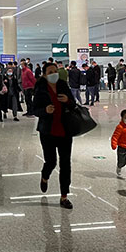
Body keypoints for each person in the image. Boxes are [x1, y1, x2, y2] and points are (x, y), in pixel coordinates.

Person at [33, 62, 76, 210]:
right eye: (50, 72)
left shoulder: (63, 85)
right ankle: (45, 176)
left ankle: (64, 196)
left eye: (55, 71)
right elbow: (35, 110)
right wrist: (45, 111)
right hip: (48, 132)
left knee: (65, 164)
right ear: (44, 75)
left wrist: (67, 101)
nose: (54, 74)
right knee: (51, 162)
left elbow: (74, 104)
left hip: (65, 131)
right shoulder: (41, 88)